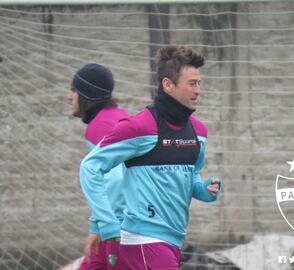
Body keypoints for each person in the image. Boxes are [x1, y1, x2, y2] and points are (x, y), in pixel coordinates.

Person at [80, 46, 222, 269]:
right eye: (192, 83)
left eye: (199, 83)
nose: (198, 90)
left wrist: (203, 190)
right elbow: (90, 167)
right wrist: (105, 222)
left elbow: (192, 175)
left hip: (173, 241)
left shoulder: (199, 133)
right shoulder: (138, 127)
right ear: (168, 84)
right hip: (142, 240)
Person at [67, 63, 128, 269]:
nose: (69, 97)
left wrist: (98, 226)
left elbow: (115, 179)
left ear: (87, 94)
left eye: (73, 90)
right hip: (125, 223)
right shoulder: (118, 116)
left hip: (118, 229)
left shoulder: (99, 127)